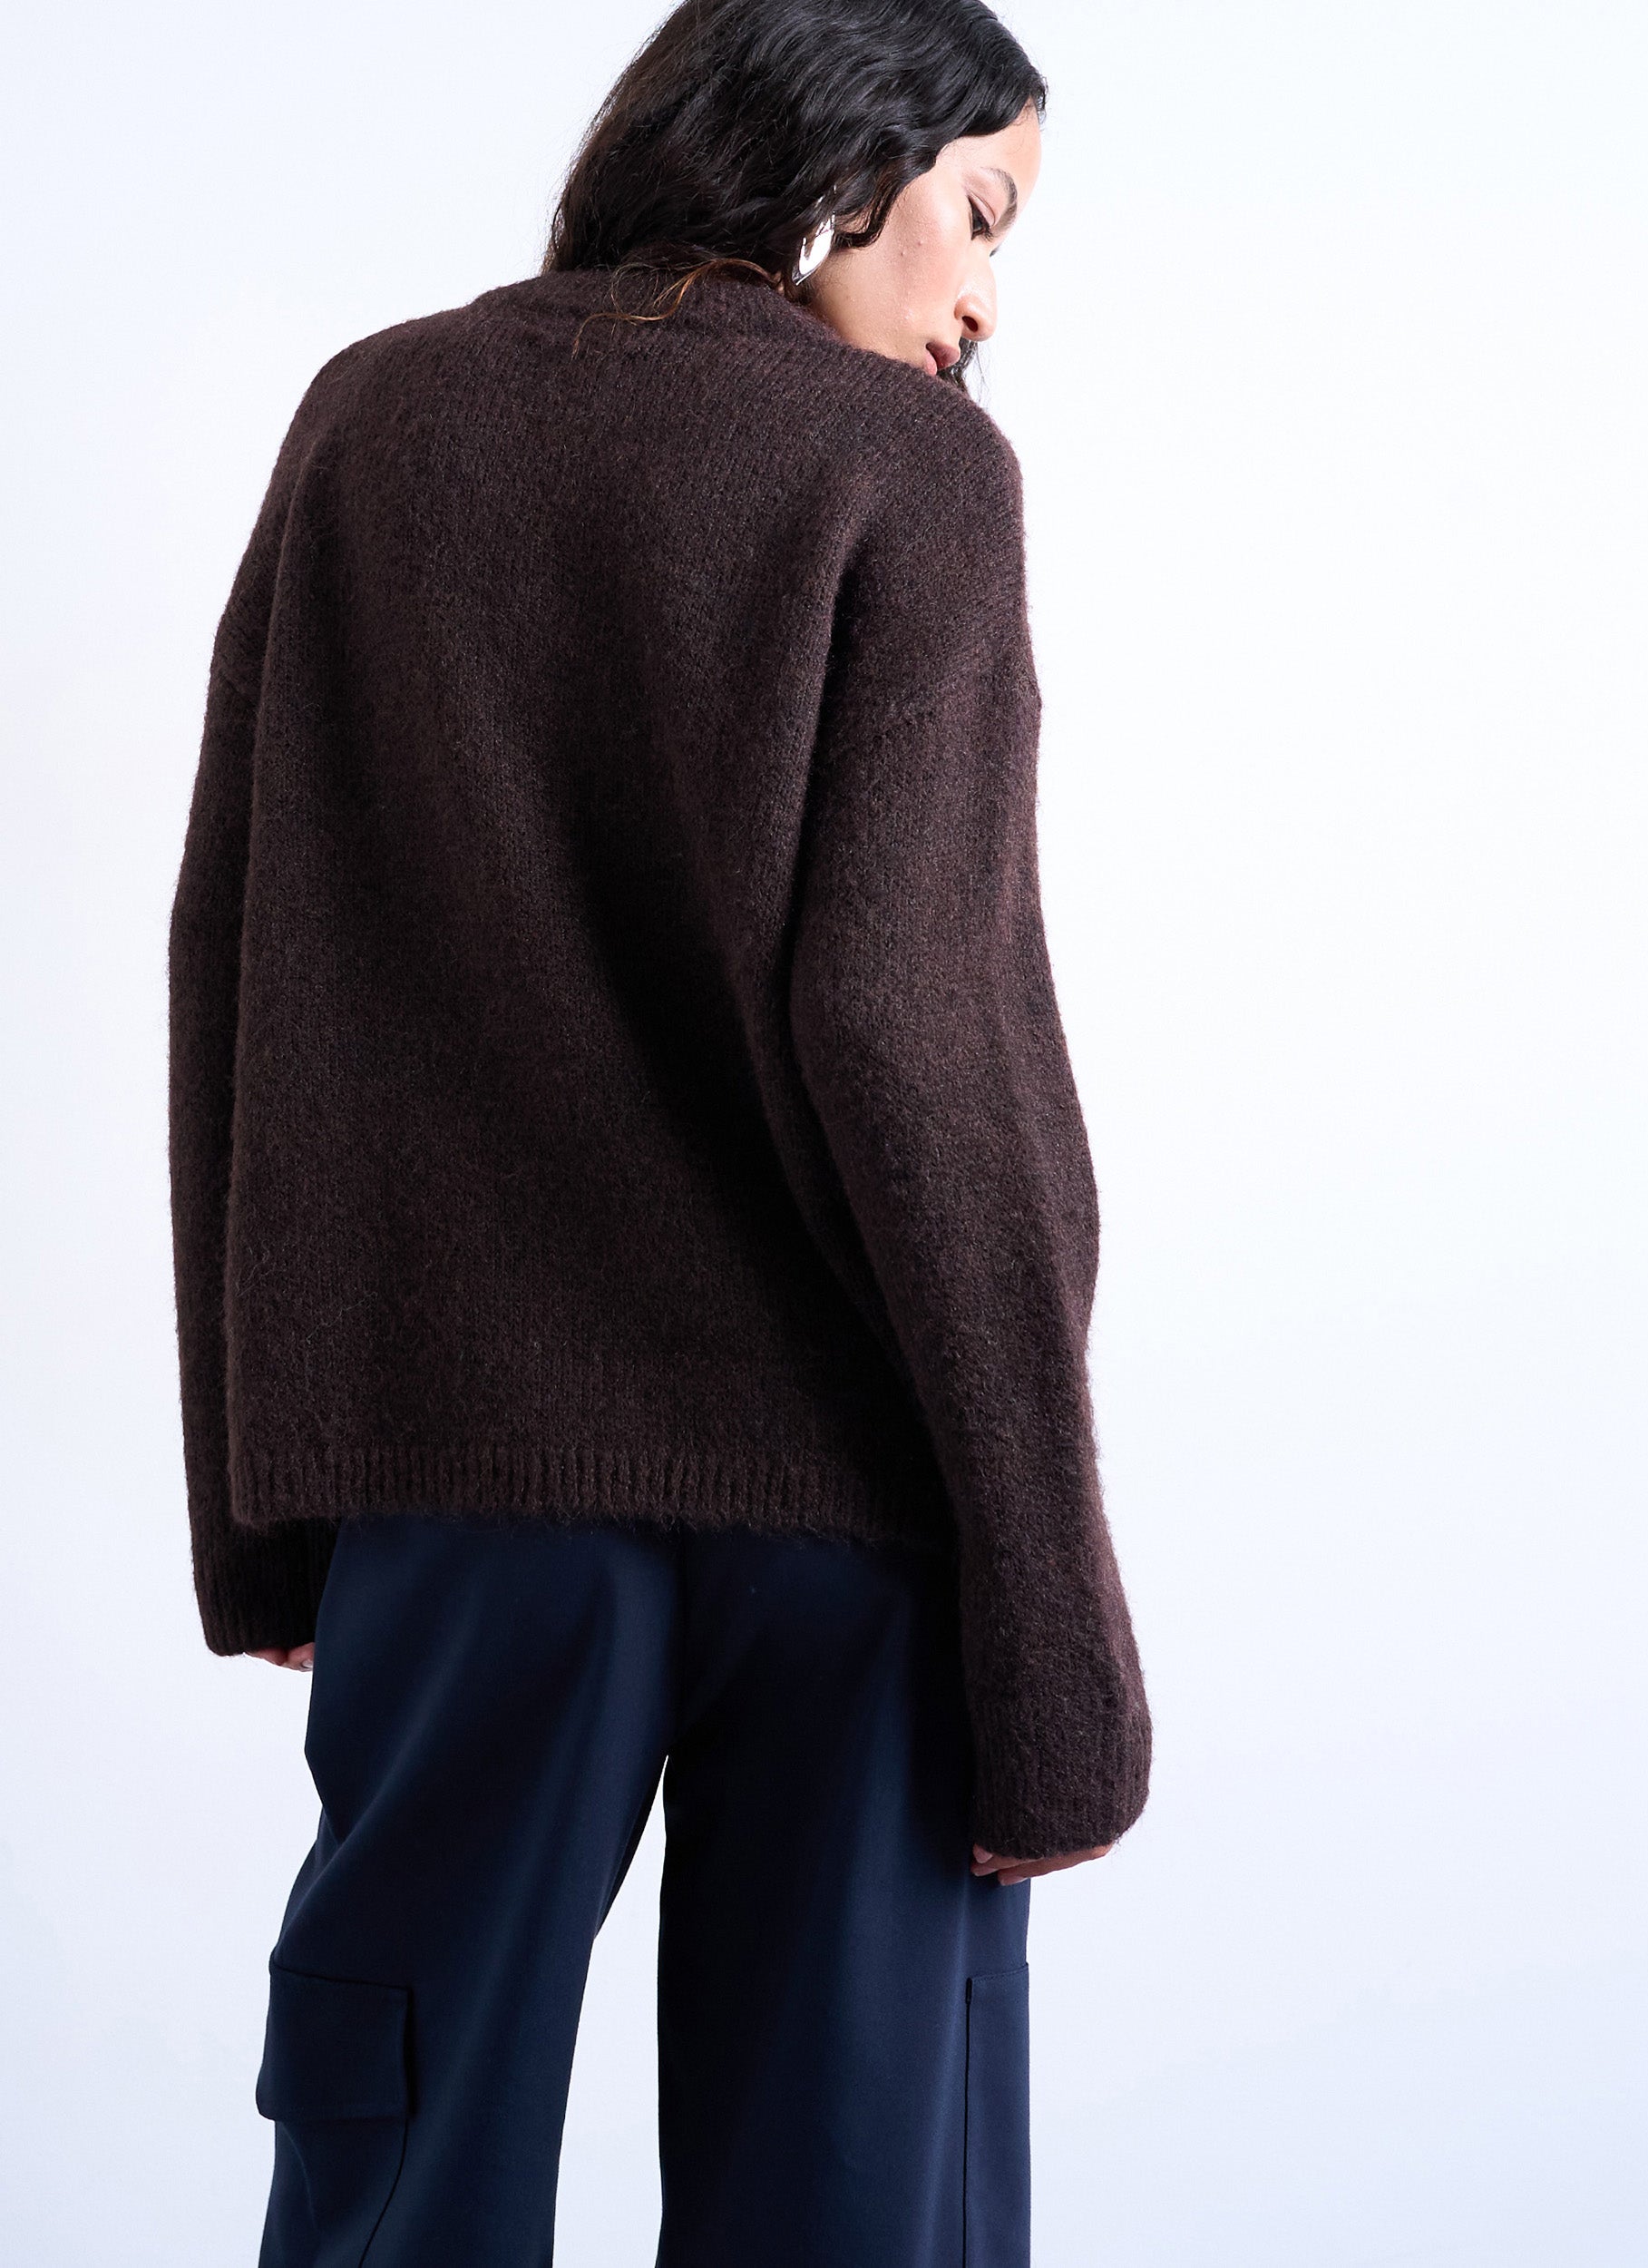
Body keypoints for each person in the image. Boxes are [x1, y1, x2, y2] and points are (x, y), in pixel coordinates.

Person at [167, 2, 1152, 2260]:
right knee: (850, 2190)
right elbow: (919, 1037)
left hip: (458, 1497)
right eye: (982, 213)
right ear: (850, 154)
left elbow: (243, 950)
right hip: (849, 1516)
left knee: (398, 2166)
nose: (987, 297)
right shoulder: (908, 474)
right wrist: (1051, 1633)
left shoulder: (374, 416)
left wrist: (268, 1510)